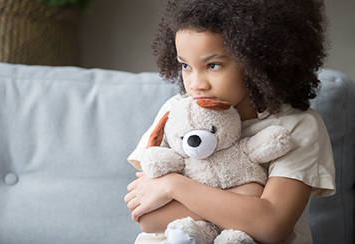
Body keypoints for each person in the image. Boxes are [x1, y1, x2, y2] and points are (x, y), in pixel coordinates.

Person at [124, 0, 335, 243]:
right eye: (185, 66)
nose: (195, 84)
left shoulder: (296, 126)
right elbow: (147, 218)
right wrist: (249, 197)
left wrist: (174, 186)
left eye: (213, 65)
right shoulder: (176, 112)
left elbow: (271, 226)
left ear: (257, 61)